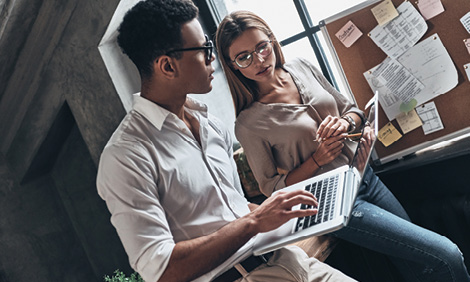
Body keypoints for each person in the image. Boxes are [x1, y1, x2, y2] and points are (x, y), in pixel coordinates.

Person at [96, 1, 357, 281]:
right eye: (204, 50)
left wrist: (292, 213)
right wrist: (255, 221)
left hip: (289, 258)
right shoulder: (126, 157)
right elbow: (162, 270)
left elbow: (236, 209)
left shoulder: (210, 125)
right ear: (168, 66)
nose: (213, 59)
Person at [215, 10, 470, 282]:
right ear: (233, 66)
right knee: (446, 254)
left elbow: (353, 110)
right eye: (244, 57)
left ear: (272, 40)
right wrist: (316, 161)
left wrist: (346, 123)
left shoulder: (302, 67)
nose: (259, 60)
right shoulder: (248, 123)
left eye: (261, 47)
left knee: (418, 267)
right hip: (332, 204)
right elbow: (272, 189)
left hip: (366, 177)